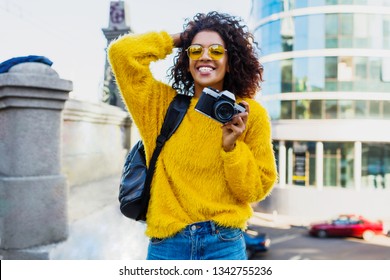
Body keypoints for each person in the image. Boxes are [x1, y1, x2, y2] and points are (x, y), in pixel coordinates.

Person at [108, 11, 278, 260]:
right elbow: (121, 54)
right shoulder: (160, 107)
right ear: (186, 59)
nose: (205, 56)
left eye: (217, 51)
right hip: (168, 245)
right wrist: (181, 38)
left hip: (224, 243)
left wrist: (232, 150)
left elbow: (255, 190)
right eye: (196, 51)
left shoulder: (250, 114)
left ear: (231, 60)